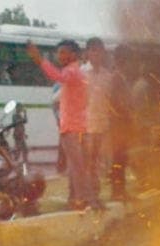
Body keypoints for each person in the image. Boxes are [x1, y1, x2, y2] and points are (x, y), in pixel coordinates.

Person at [26, 39, 101, 210]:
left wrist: (40, 60)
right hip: (79, 126)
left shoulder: (72, 71)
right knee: (79, 166)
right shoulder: (79, 72)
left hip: (72, 128)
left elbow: (57, 77)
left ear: (73, 54)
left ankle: (83, 200)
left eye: (63, 52)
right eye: (58, 53)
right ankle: (82, 199)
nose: (59, 56)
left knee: (77, 167)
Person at [81, 37, 112, 201]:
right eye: (93, 51)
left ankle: (95, 193)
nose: (97, 54)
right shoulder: (80, 73)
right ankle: (86, 194)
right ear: (87, 53)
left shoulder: (107, 76)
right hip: (85, 127)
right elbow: (58, 99)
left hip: (102, 126)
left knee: (97, 162)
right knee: (86, 162)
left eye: (99, 51)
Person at [108, 44, 136, 201]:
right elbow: (115, 102)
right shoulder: (116, 78)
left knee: (121, 158)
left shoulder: (122, 77)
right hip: (118, 125)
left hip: (122, 124)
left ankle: (120, 190)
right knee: (118, 158)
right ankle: (117, 191)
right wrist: (126, 113)